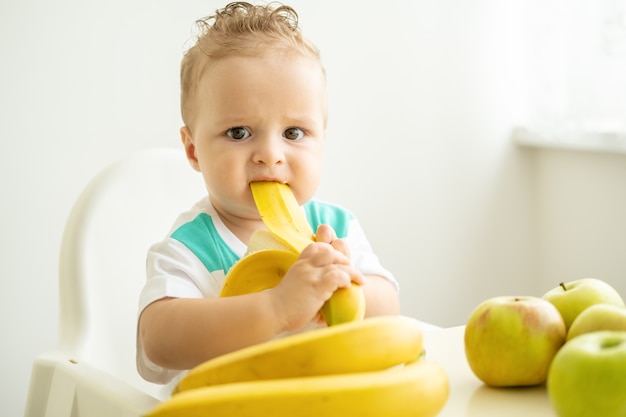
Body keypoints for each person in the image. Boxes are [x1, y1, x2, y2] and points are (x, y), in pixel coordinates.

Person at [137, 1, 401, 387]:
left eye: (294, 133)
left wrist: (346, 280)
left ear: (322, 141)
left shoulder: (336, 229)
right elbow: (157, 341)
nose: (271, 156)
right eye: (239, 133)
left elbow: (389, 308)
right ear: (193, 150)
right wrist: (276, 308)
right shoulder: (189, 249)